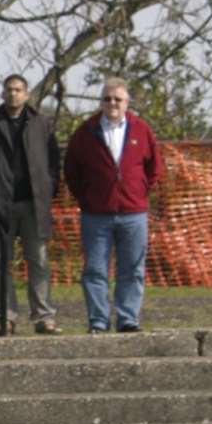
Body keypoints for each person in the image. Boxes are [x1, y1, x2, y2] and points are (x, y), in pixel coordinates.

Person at [64, 78, 163, 334]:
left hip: (133, 214)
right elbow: (71, 171)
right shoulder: (86, 132)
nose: (112, 104)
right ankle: (98, 320)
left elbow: (154, 168)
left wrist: (138, 193)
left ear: (127, 102)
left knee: (132, 269)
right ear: (101, 102)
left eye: (117, 99)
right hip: (96, 215)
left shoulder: (142, 130)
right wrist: (87, 198)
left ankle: (128, 318)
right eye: (107, 99)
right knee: (95, 270)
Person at [0, 75, 62, 335]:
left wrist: (47, 188)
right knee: (0, 263)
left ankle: (43, 317)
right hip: (0, 207)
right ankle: (4, 317)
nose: (13, 94)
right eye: (9, 90)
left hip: (34, 205)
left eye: (18, 90)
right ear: (2, 94)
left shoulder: (41, 123)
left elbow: (54, 160)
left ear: (27, 94)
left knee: (39, 261)